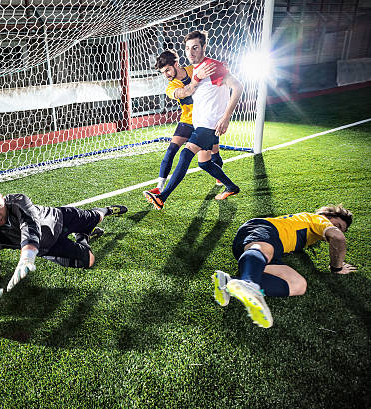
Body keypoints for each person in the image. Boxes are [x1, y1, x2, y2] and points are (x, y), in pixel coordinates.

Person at [0, 180, 127, 333]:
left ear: (2, 198)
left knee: (94, 218)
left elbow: (30, 227)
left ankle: (106, 210)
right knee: (89, 260)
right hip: (49, 248)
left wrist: (27, 257)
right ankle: (83, 236)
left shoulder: (18, 201)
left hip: (61, 219)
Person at [144, 30, 243, 210]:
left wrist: (226, 117)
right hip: (198, 123)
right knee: (204, 162)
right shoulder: (196, 70)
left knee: (185, 153)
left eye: (195, 48)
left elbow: (238, 86)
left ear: (204, 47)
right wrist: (197, 78)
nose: (191, 52)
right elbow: (188, 91)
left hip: (209, 124)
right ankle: (231, 186)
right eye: (188, 48)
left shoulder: (211, 66)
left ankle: (162, 197)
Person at [213, 205, 356, 328]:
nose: (336, 230)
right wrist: (336, 268)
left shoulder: (307, 231)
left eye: (340, 229)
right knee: (265, 250)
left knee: (298, 285)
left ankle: (229, 282)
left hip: (252, 251)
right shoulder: (319, 220)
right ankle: (250, 283)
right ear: (327, 216)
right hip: (263, 230)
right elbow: (338, 238)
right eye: (337, 225)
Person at [145, 49, 223, 198]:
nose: (166, 75)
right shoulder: (171, 86)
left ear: (176, 64)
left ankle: (220, 178)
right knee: (171, 150)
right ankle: (159, 187)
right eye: (162, 72)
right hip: (187, 120)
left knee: (214, 153)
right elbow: (184, 93)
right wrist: (196, 80)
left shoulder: (194, 69)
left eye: (167, 70)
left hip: (205, 120)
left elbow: (213, 76)